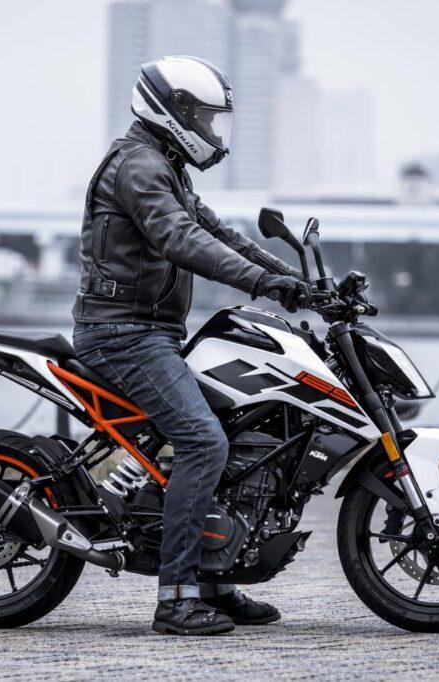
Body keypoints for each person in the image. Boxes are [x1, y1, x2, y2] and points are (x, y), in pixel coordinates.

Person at [71, 56, 308, 636]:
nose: (209, 129)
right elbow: (179, 239)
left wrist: (294, 280)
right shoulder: (139, 167)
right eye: (203, 116)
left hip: (152, 332)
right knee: (203, 441)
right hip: (122, 335)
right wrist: (262, 282)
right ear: (172, 111)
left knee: (232, 429)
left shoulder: (167, 167)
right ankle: (176, 598)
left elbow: (217, 232)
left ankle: (214, 581)